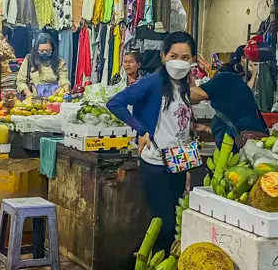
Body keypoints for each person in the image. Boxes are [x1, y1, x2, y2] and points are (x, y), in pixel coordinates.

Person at [108, 31, 196, 255]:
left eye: (185, 57)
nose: (179, 61)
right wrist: (142, 130)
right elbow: (116, 103)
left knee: (173, 225)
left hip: (178, 162)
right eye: (173, 55)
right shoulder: (152, 82)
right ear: (163, 56)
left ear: (193, 59)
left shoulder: (184, 84)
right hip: (155, 163)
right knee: (163, 224)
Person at [191, 45, 267, 149]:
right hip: (254, 143)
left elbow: (194, 95)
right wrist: (205, 129)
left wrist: (186, 74)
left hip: (237, 148)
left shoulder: (223, 78)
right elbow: (231, 125)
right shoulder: (240, 91)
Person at [17, 32, 69, 97]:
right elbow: (21, 81)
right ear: (36, 49)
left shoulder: (60, 62)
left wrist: (66, 89)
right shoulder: (29, 60)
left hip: (54, 99)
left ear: (53, 49)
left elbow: (64, 80)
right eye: (41, 51)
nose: (44, 53)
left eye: (48, 50)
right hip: (34, 99)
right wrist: (28, 93)